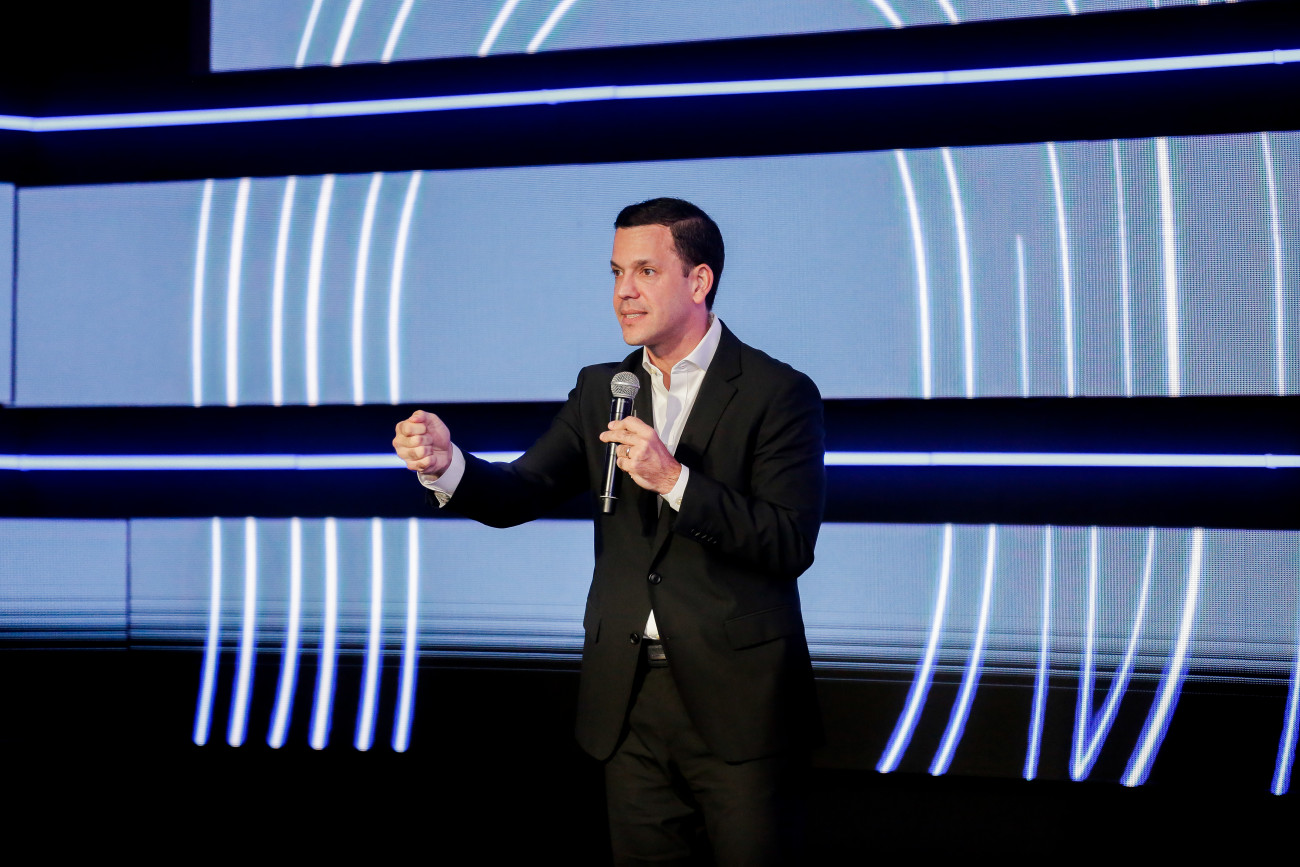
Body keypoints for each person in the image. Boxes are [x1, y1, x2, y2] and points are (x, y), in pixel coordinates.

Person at [392, 197, 825, 865]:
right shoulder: (604, 389)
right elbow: (521, 491)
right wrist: (448, 464)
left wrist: (674, 479)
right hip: (628, 699)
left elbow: (788, 540)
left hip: (740, 703)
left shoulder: (778, 391)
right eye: (617, 272)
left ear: (699, 281)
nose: (625, 291)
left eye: (646, 271)